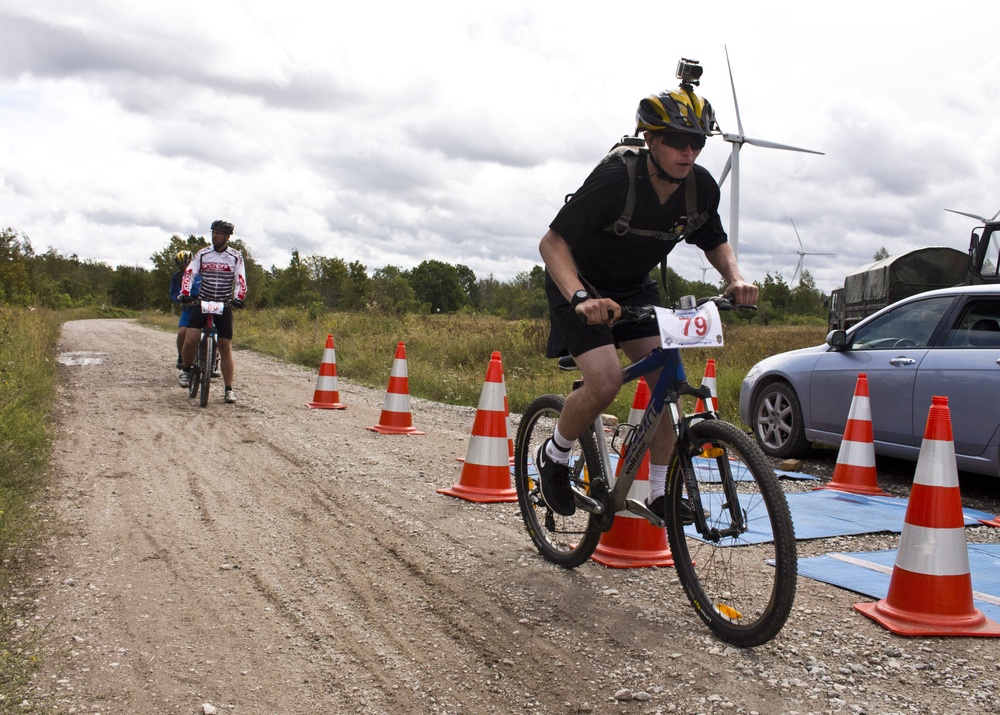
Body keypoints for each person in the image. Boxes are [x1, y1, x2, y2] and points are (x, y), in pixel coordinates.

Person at [536, 77, 758, 518]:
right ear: (650, 139)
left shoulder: (701, 188)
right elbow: (552, 244)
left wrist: (735, 277)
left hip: (635, 288)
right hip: (579, 284)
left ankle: (660, 491)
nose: (688, 152)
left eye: (696, 142)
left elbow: (714, 240)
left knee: (667, 385)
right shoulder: (616, 179)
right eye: (676, 141)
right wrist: (581, 297)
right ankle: (555, 454)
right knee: (606, 381)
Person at [178, 220, 247, 404]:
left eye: (218, 233)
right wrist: (185, 293)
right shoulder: (202, 254)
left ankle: (229, 389)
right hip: (202, 302)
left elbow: (240, 280)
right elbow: (189, 274)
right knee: (191, 338)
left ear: (227, 237)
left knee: (225, 346)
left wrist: (238, 297)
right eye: (213, 232)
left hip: (224, 304)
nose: (214, 236)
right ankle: (185, 369)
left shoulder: (235, 256)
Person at [170, 250, 194, 370]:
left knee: (213, 331)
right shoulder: (178, 276)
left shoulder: (200, 273)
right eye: (181, 265)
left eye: (187, 264)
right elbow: (173, 292)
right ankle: (181, 356)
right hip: (187, 308)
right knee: (182, 332)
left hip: (202, 306)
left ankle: (214, 359)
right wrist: (178, 298)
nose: (185, 267)